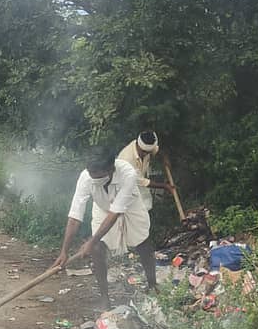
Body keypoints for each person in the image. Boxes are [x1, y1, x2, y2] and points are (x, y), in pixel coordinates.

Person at [53, 147, 158, 310]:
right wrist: (64, 251)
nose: (93, 178)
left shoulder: (127, 174)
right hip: (103, 209)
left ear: (110, 169)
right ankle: (104, 298)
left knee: (143, 242)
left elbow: (116, 212)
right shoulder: (86, 177)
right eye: (91, 174)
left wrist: (90, 241)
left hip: (130, 207)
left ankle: (152, 284)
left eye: (98, 175)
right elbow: (75, 216)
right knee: (96, 249)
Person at [116, 131, 174, 212]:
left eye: (148, 152)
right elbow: (143, 182)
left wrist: (164, 158)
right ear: (139, 146)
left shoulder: (147, 148)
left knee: (145, 207)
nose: (145, 154)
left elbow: (157, 150)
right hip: (125, 186)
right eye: (144, 152)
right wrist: (165, 186)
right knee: (131, 211)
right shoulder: (127, 159)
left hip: (139, 183)